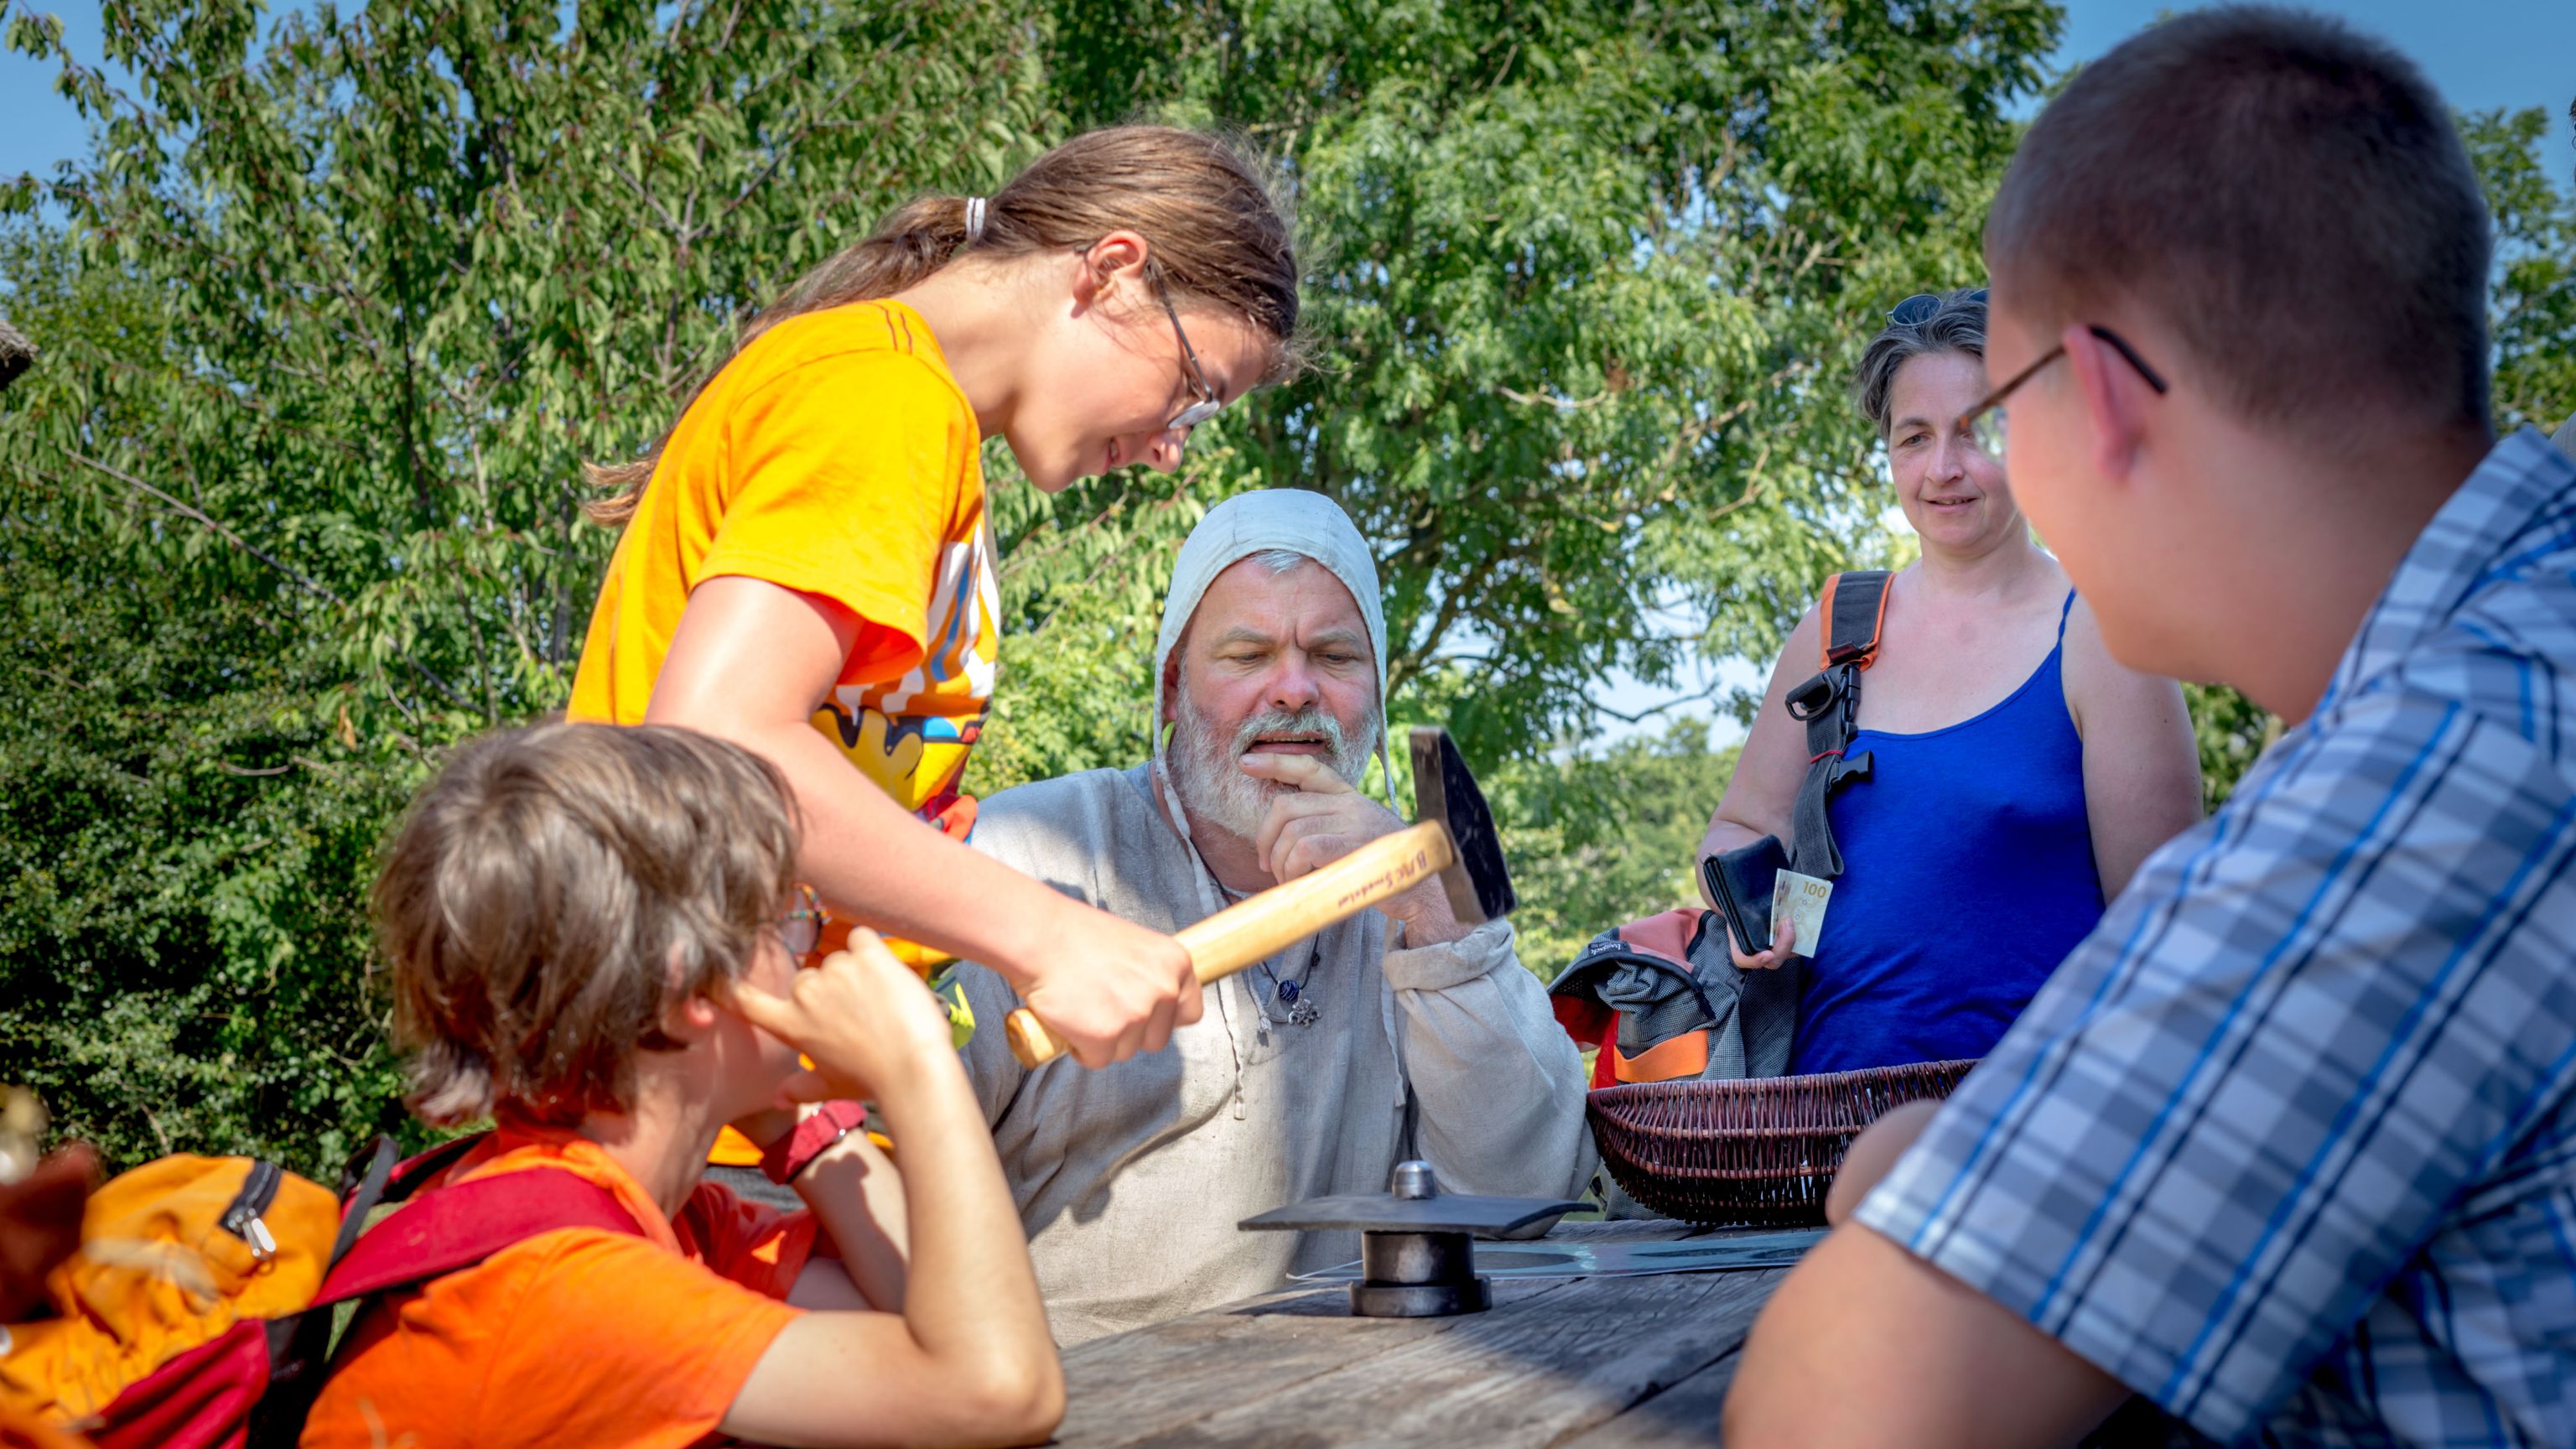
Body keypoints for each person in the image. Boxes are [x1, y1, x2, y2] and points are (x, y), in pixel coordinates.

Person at [1727, 8, 2576, 1446]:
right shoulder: (2503, 650)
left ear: (2100, 403)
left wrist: (1912, 1163)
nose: (1958, 470)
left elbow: (1835, 1404)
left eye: (1999, 407)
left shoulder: (2426, 773)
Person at [567, 125, 1303, 1126]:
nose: (1174, 447)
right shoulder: (883, 397)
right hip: (675, 1106)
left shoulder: (906, 405)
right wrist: (1049, 936)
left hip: (765, 1115)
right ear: (1113, 272)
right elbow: (718, 740)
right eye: (1195, 390)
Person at [949, 491, 1597, 1345]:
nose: (1293, 690)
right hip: (1065, 1396)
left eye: (1333, 655)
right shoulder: (1032, 855)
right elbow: (881, 1171)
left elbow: (1523, 1192)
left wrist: (1433, 913)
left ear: (1376, 693)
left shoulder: (1410, 895)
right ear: (1174, 686)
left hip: (1329, 1402)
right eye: (1248, 654)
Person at [302, 724, 1062, 1449]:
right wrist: (920, 1069)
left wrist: (803, 1124)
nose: (813, 954)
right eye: (793, 919)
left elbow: (919, 1325)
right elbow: (1001, 1392)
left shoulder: (659, 1219)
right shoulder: (565, 1284)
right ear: (692, 980)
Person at [1696, 288, 2200, 1075]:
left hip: (2026, 1139)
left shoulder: (2106, 633)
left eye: (1975, 433)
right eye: (1914, 437)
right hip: (1809, 1146)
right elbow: (1739, 827)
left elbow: (2165, 934)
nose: (1943, 470)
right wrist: (1748, 911)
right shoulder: (1834, 631)